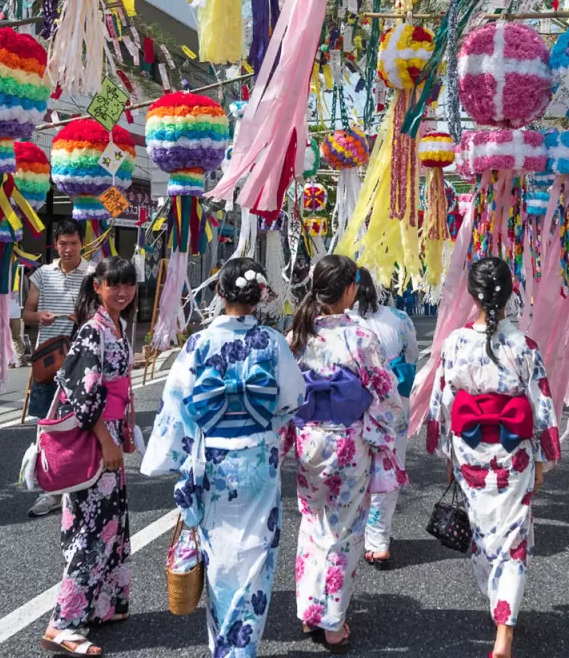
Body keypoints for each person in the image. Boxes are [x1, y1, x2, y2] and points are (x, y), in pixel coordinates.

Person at [142, 257, 305, 658]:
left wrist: (176, 454)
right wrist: (266, 419)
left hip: (213, 459)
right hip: (257, 460)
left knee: (218, 554)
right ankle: (241, 647)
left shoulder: (199, 344)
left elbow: (177, 403)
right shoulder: (271, 342)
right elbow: (293, 399)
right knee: (254, 553)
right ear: (260, 296)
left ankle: (225, 648)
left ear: (218, 292)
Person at [429, 257, 559, 658]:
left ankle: (499, 606)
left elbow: (444, 403)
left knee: (484, 533)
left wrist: (448, 452)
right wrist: (540, 460)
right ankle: (504, 626)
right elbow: (540, 406)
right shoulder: (524, 347)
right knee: (513, 536)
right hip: (512, 453)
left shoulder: (454, 343)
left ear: (472, 294)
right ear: (510, 294)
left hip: (470, 449)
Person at [289, 254, 404, 654]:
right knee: (343, 530)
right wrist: (385, 424)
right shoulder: (360, 337)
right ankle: (333, 622)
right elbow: (386, 393)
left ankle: (308, 611)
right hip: (346, 442)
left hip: (309, 439)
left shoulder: (299, 333)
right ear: (350, 290)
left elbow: (287, 392)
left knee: (312, 521)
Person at [40, 257, 138, 655]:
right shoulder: (91, 331)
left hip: (110, 431)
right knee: (94, 527)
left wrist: (123, 431)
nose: (122, 292)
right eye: (113, 284)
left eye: (128, 285)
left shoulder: (117, 327)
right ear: (97, 286)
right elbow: (83, 392)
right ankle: (63, 622)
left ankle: (104, 602)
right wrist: (107, 439)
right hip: (96, 435)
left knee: (111, 519)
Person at [352, 268, 418, 568]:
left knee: (356, 467)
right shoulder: (399, 319)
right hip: (392, 403)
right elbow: (413, 356)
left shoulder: (344, 324)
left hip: (353, 405)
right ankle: (378, 540)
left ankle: (356, 532)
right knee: (389, 466)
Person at [26, 221, 91, 517]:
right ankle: (48, 488)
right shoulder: (41, 274)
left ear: (82, 244)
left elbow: (100, 311)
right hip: (47, 359)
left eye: (73, 244)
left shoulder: (92, 274)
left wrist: (84, 314)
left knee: (78, 421)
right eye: (63, 243)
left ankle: (78, 482)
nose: (68, 249)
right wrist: (41, 315)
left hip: (80, 359)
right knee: (45, 423)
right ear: (56, 244)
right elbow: (28, 312)